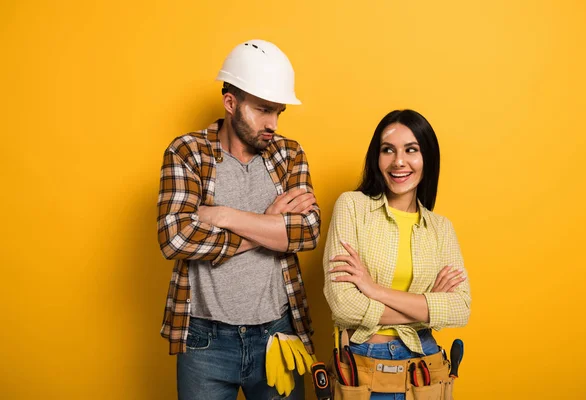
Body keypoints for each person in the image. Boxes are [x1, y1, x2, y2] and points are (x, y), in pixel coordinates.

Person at [157, 39, 320, 400]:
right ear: (230, 103)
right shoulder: (187, 152)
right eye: (263, 110)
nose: (272, 124)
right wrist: (268, 223)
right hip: (205, 342)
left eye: (278, 112)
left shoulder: (289, 154)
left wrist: (226, 216)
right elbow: (176, 237)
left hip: (277, 334)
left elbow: (307, 232)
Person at [323, 109, 471, 399]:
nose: (398, 161)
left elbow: (461, 308)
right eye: (387, 150)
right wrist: (427, 310)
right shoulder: (352, 207)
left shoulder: (441, 228)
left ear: (427, 158)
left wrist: (374, 290)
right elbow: (342, 305)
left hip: (425, 365)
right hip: (363, 365)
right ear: (376, 158)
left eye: (411, 150)